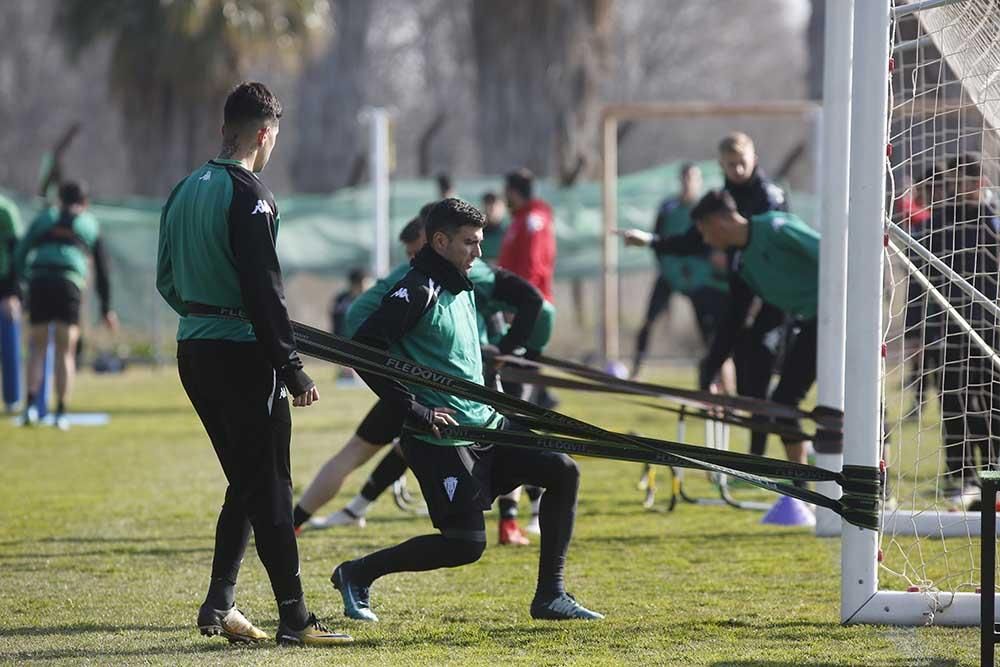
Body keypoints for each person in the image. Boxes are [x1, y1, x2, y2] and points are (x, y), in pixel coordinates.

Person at [332, 198, 601, 622]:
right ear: (440, 241)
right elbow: (365, 351)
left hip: (485, 425)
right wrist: (416, 409)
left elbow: (450, 347)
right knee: (465, 544)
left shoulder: (463, 282)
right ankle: (356, 573)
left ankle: (551, 595)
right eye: (469, 243)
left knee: (562, 470)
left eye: (479, 242)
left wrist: (489, 355)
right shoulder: (419, 288)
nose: (479, 252)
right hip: (439, 438)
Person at [155, 82, 351, 647]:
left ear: (226, 127)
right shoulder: (250, 193)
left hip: (194, 348)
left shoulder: (185, 189)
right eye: (275, 138)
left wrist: (205, 313)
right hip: (243, 354)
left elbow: (166, 278)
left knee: (245, 477)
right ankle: (296, 619)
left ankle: (219, 605)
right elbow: (265, 291)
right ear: (264, 133)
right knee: (269, 484)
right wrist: (290, 365)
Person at [297, 213, 550, 547]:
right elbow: (543, 310)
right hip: (438, 394)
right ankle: (509, 523)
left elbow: (358, 317)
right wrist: (517, 350)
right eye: (410, 254)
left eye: (415, 251)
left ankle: (307, 518)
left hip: (411, 388)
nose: (414, 260)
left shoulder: (450, 272)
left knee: (379, 449)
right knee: (496, 445)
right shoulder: (417, 282)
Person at [621, 132, 788, 457]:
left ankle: (762, 458)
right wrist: (652, 241)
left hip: (771, 300)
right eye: (730, 165)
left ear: (754, 158)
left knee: (761, 380)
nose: (738, 170)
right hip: (738, 295)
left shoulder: (771, 197)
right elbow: (692, 239)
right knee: (717, 366)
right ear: (721, 165)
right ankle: (741, 454)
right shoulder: (720, 198)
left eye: (742, 163)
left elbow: (778, 247)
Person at [687, 189, 820, 467]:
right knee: (783, 404)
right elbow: (734, 320)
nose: (706, 240)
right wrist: (709, 370)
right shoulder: (743, 264)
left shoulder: (775, 227)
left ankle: (882, 486)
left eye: (705, 231)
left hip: (844, 316)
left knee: (863, 402)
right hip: (812, 324)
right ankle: (801, 492)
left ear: (718, 223)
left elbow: (828, 253)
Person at [920, 153, 1000, 507]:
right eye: (950, 180)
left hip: (992, 330)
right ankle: (961, 478)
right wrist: (917, 329)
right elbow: (922, 279)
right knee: (953, 403)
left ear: (979, 182)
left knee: (991, 407)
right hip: (948, 328)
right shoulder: (941, 221)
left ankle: (994, 477)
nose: (953, 187)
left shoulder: (994, 220)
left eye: (960, 180)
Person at [15, 181, 117, 429]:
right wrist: (106, 309)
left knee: (37, 347)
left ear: (59, 200)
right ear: (85, 203)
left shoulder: (45, 218)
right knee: (65, 350)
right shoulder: (89, 222)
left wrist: (19, 286)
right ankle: (60, 413)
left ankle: (29, 408)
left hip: (39, 281)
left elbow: (21, 253)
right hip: (67, 284)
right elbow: (102, 271)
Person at [632, 163, 729, 378]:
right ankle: (636, 369)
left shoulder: (706, 209)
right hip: (670, 274)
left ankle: (715, 373)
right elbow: (660, 241)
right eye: (685, 178)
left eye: (693, 178)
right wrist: (668, 268)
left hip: (698, 278)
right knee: (649, 321)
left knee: (709, 330)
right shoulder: (668, 208)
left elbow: (709, 245)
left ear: (699, 181)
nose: (688, 183)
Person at [0, 193, 23, 413]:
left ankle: (12, 398)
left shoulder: (5, 209)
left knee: (8, 344)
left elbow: (17, 253)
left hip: (3, 288)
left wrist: (13, 293)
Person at [479, 191, 507, 263]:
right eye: (487, 203)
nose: (490, 208)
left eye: (494, 204)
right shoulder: (476, 233)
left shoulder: (510, 232)